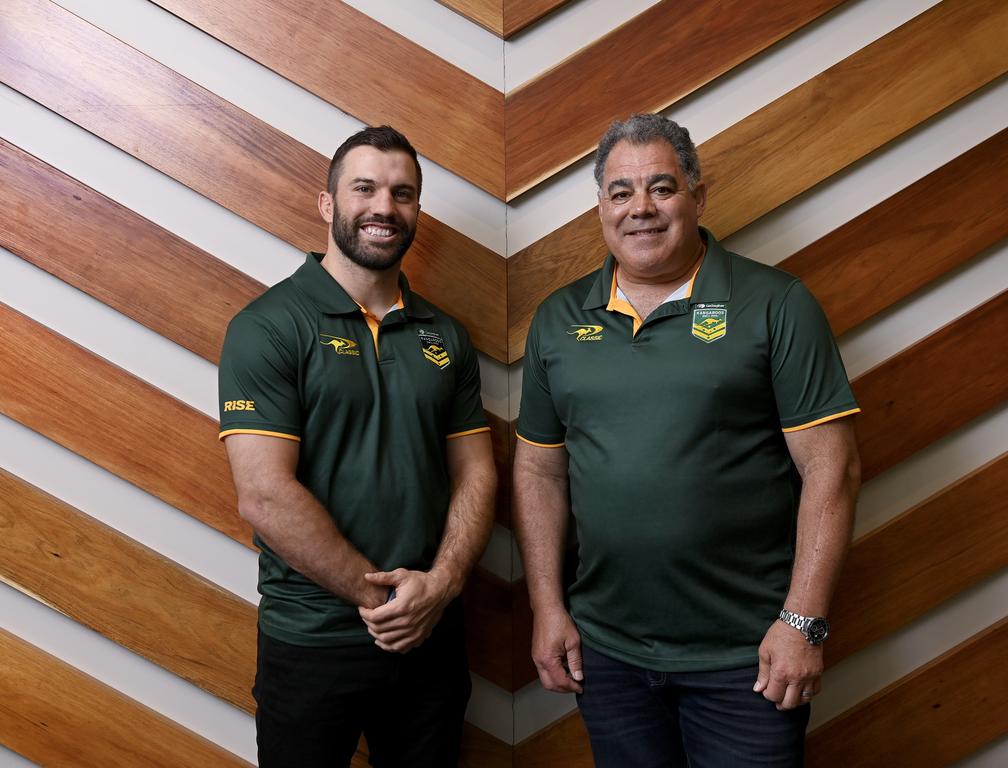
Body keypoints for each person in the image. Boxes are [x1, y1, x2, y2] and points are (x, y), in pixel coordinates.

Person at [513, 113, 861, 767]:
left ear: (698, 197)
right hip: (608, 654)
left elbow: (832, 470)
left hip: (747, 658)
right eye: (621, 192)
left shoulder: (776, 304)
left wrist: (802, 623)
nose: (640, 208)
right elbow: (538, 474)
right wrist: (547, 607)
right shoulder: (559, 320)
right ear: (601, 206)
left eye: (661, 188)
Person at [218, 125, 496, 768]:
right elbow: (263, 494)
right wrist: (381, 601)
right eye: (364, 188)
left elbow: (477, 475)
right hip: (313, 641)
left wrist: (442, 585)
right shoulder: (268, 326)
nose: (384, 207)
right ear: (328, 205)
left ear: (416, 211)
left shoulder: (445, 336)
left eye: (403, 193)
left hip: (431, 635)